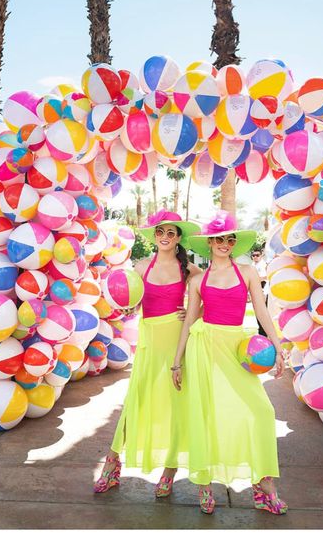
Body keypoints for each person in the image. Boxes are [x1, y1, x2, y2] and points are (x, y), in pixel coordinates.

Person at [171, 211, 287, 515]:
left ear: (234, 243)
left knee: (261, 411)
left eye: (230, 239)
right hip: (204, 346)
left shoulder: (247, 272)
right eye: (219, 239)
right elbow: (190, 320)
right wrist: (176, 361)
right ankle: (205, 484)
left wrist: (278, 345)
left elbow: (262, 313)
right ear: (209, 243)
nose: (225, 243)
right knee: (206, 415)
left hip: (236, 347)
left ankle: (265, 486)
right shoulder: (199, 279)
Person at [93, 209, 201, 497]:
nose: (165, 237)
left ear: (178, 238)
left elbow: (208, 295)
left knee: (176, 407)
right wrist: (129, 308)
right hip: (150, 340)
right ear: (155, 236)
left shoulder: (189, 269)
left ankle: (169, 471)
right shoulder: (141, 266)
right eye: (160, 232)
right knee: (135, 402)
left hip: (177, 340)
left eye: (171, 233)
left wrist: (194, 310)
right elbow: (133, 302)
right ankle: (112, 465)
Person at [250, 249, 268, 337]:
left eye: (257, 255)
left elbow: (266, 277)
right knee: (257, 312)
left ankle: (264, 332)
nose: (255, 257)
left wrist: (256, 279)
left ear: (261, 255)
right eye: (253, 255)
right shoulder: (253, 265)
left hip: (263, 290)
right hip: (255, 290)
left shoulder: (264, 264)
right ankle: (261, 331)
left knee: (263, 311)